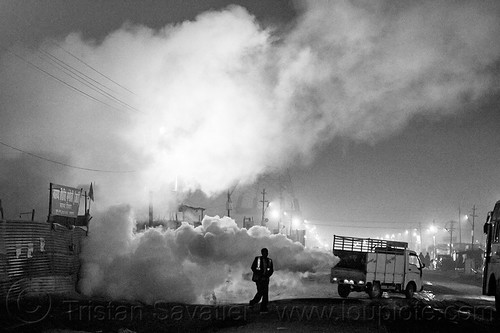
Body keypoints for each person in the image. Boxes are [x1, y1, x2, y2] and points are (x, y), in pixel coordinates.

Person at [250, 248, 274, 313]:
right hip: (259, 279)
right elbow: (253, 267)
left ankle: (263, 308)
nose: (266, 254)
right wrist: (260, 275)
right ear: (262, 253)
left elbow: (271, 270)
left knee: (265, 293)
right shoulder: (257, 259)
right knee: (260, 292)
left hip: (265, 279)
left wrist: (267, 276)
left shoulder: (269, 261)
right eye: (265, 252)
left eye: (267, 252)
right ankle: (253, 302)